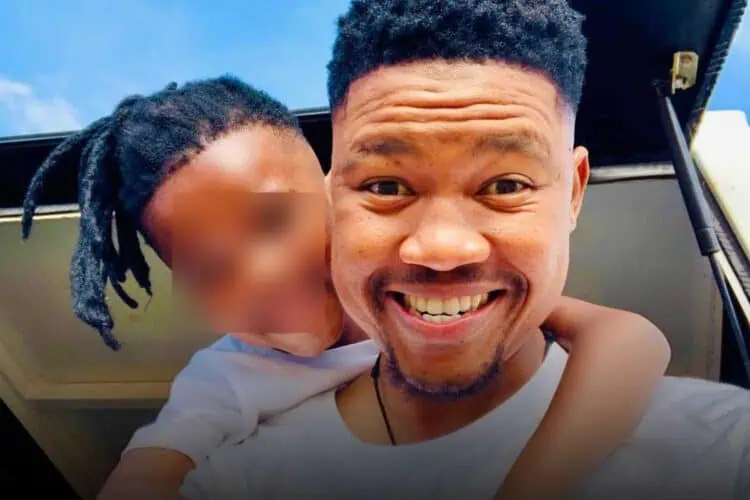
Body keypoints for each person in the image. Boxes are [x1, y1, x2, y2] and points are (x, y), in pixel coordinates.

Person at [178, 1, 750, 500]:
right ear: (333, 200)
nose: (442, 248)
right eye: (386, 186)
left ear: (573, 194)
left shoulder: (722, 449)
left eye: (506, 184)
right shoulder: (239, 480)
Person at [22, 76, 669, 500]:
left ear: (339, 191)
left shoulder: (420, 286)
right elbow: (149, 470)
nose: (262, 273)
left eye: (274, 219)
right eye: (212, 269)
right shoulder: (226, 376)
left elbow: (631, 340)